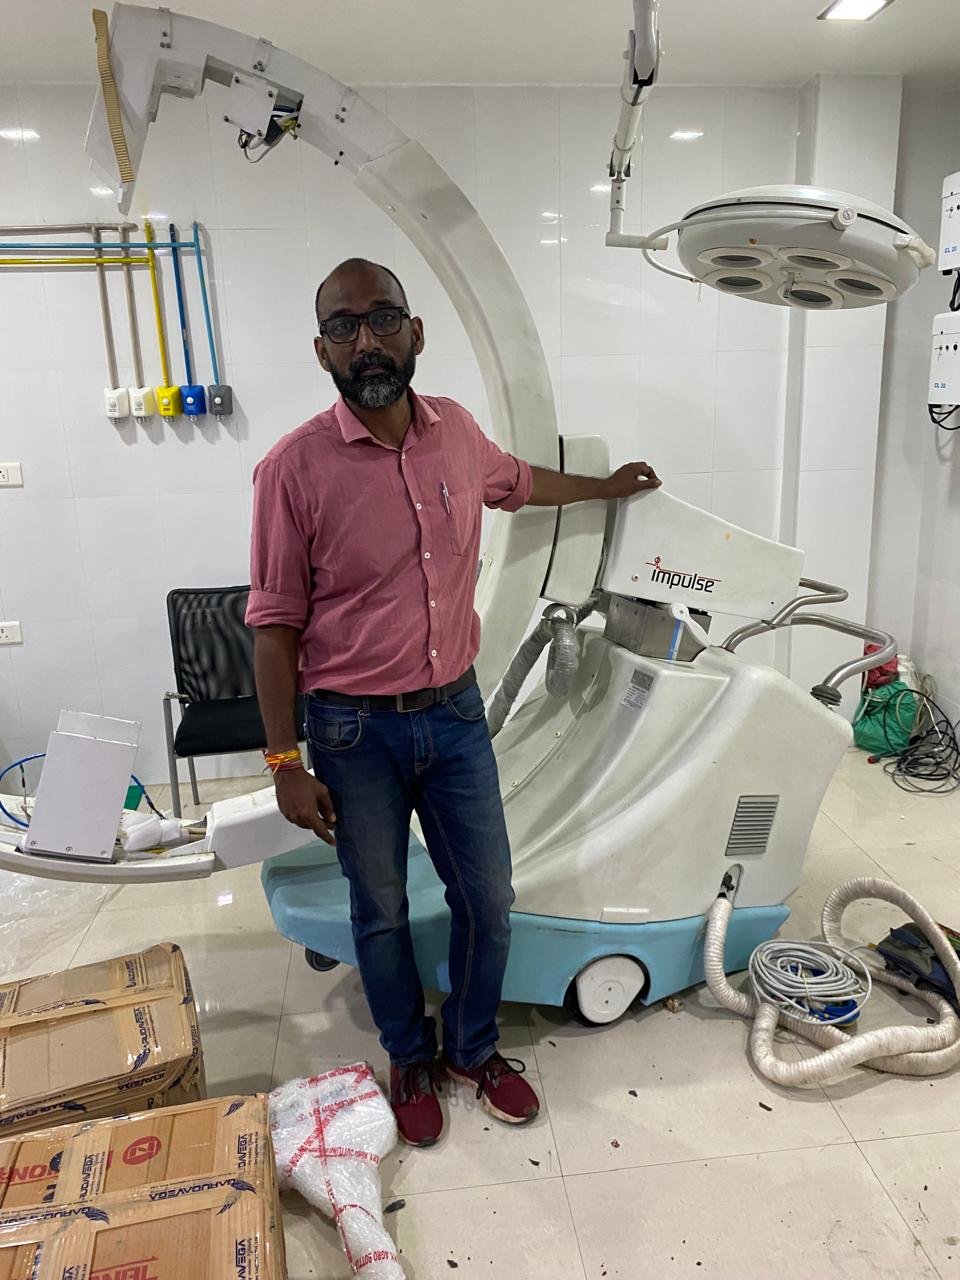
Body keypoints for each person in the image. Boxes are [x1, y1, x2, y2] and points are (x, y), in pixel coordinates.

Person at [246, 257, 660, 1147]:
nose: (367, 341)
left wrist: (604, 490)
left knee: (488, 896)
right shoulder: (292, 470)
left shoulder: (458, 435)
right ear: (322, 350)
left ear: (416, 332)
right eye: (344, 327)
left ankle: (472, 1048)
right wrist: (284, 761)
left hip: (455, 716)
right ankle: (409, 1054)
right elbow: (273, 628)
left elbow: (522, 483)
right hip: (352, 733)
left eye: (382, 318)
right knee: (381, 907)